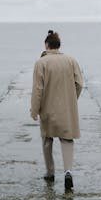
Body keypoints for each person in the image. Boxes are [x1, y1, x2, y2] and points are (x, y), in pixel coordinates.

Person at [30, 30, 83, 191]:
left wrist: (34, 109)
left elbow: (38, 89)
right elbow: (79, 84)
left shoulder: (41, 63)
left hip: (48, 108)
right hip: (66, 109)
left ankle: (50, 172)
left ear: (47, 45)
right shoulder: (71, 60)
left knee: (47, 139)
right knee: (67, 140)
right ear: (59, 45)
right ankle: (68, 172)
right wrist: (72, 99)